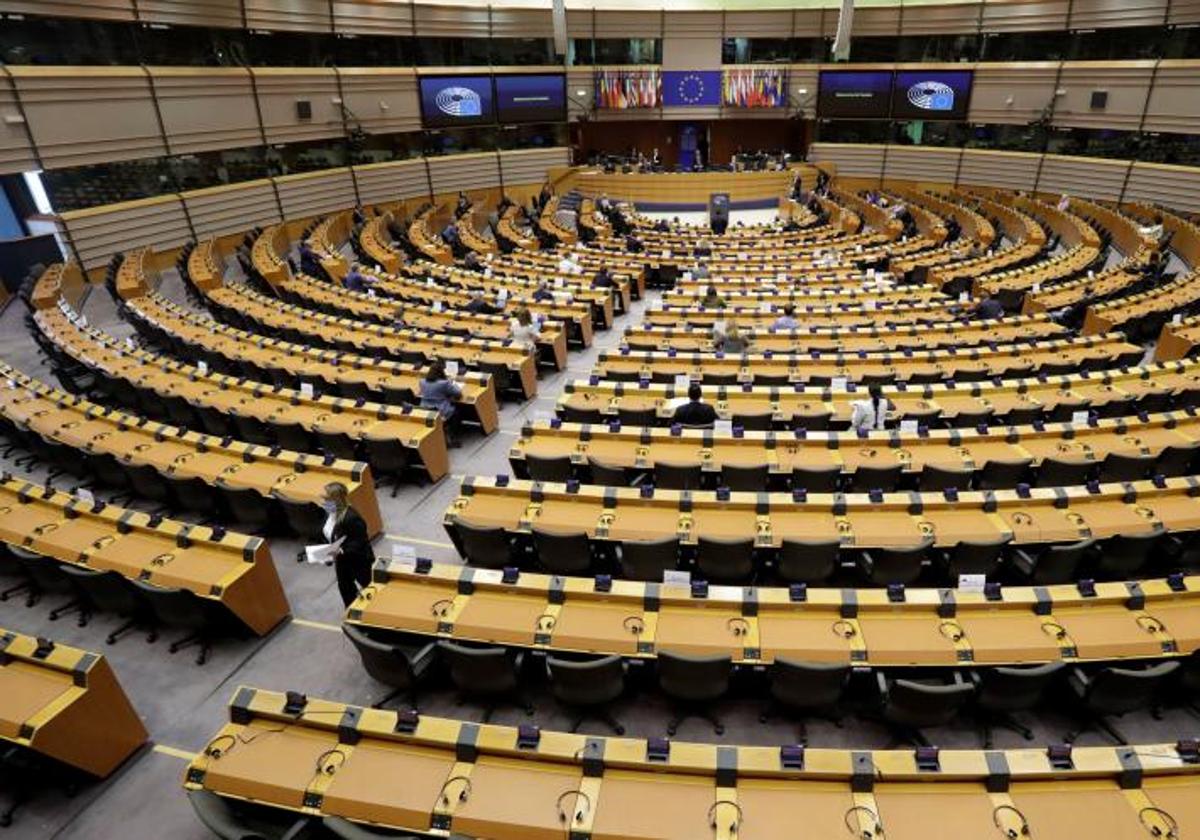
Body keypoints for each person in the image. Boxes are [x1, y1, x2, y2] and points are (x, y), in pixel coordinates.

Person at [322, 482, 374, 608]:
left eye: (326, 498)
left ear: (336, 500)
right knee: (345, 588)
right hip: (342, 561)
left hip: (359, 561)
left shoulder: (351, 518)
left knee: (370, 588)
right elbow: (330, 533)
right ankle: (351, 611)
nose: (323, 500)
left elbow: (360, 541)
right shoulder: (330, 513)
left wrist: (341, 550)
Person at [419, 360, 463, 442]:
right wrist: (453, 384)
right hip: (441, 411)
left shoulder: (422, 382)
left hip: (425, 410)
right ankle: (453, 436)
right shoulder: (444, 383)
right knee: (457, 411)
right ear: (441, 372)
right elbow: (458, 393)